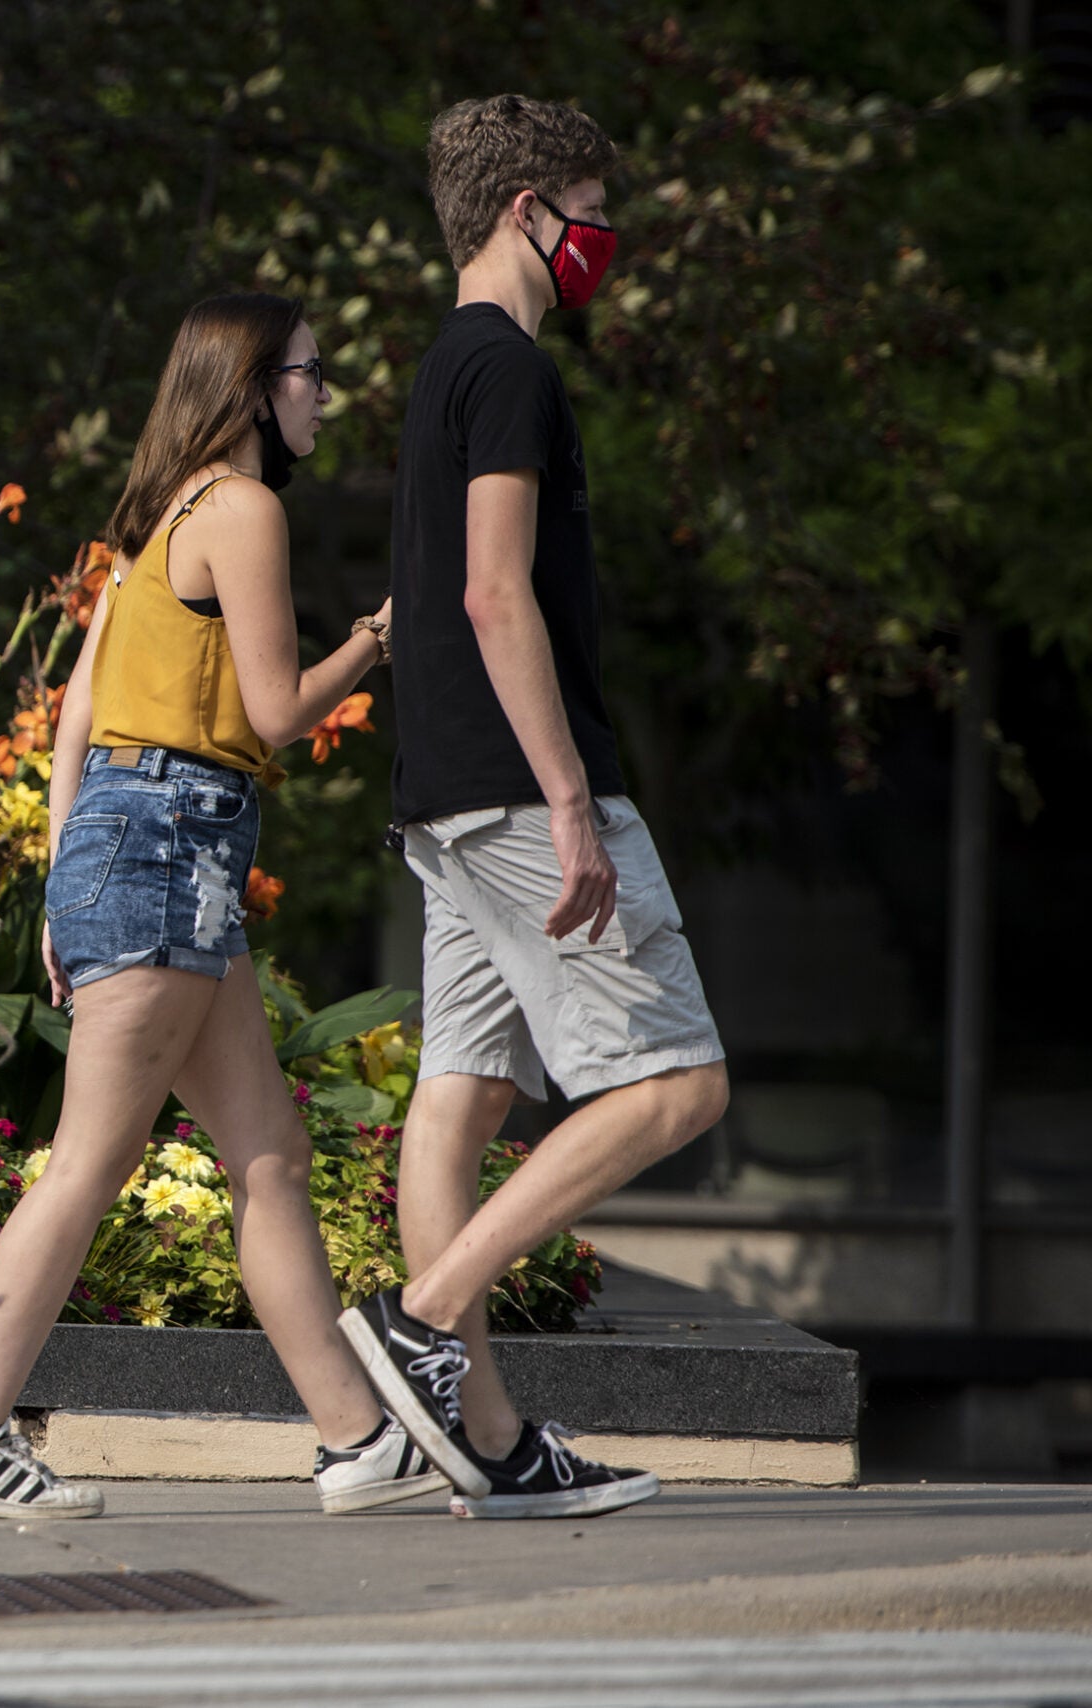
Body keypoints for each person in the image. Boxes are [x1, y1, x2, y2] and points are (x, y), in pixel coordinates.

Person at [0, 293, 439, 1520]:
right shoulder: (239, 510)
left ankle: (361, 1443)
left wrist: (60, 877)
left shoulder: (160, 521)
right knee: (89, 1160)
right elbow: (278, 713)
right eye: (308, 373)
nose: (322, 394)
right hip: (169, 843)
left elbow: (79, 710)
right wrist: (377, 636)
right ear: (252, 387)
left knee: (269, 1162)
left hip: (136, 843)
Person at [336, 95, 731, 1520]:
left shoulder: (441, 365)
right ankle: (423, 1322)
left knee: (462, 1102)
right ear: (527, 215)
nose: (603, 241)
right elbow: (494, 591)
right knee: (676, 1084)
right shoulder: (509, 371)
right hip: (518, 787)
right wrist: (570, 797)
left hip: (441, 794)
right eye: (589, 209)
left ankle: (481, 1446)